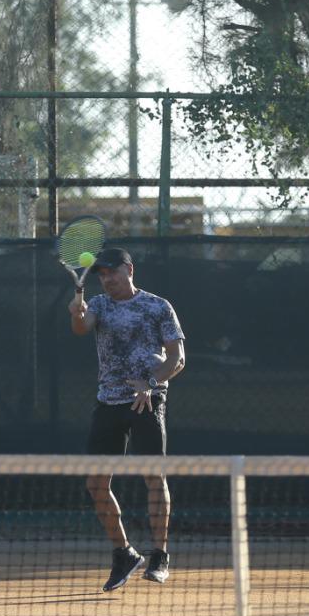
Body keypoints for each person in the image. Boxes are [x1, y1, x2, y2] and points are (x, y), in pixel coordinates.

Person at [69, 247, 186, 591]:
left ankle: (159, 556)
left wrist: (149, 384)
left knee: (153, 476)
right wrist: (76, 310)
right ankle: (124, 552)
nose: (107, 280)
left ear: (129, 270)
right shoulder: (99, 306)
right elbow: (80, 327)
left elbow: (177, 359)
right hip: (109, 401)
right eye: (101, 275)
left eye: (112, 273)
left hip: (147, 401)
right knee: (95, 483)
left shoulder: (157, 306)